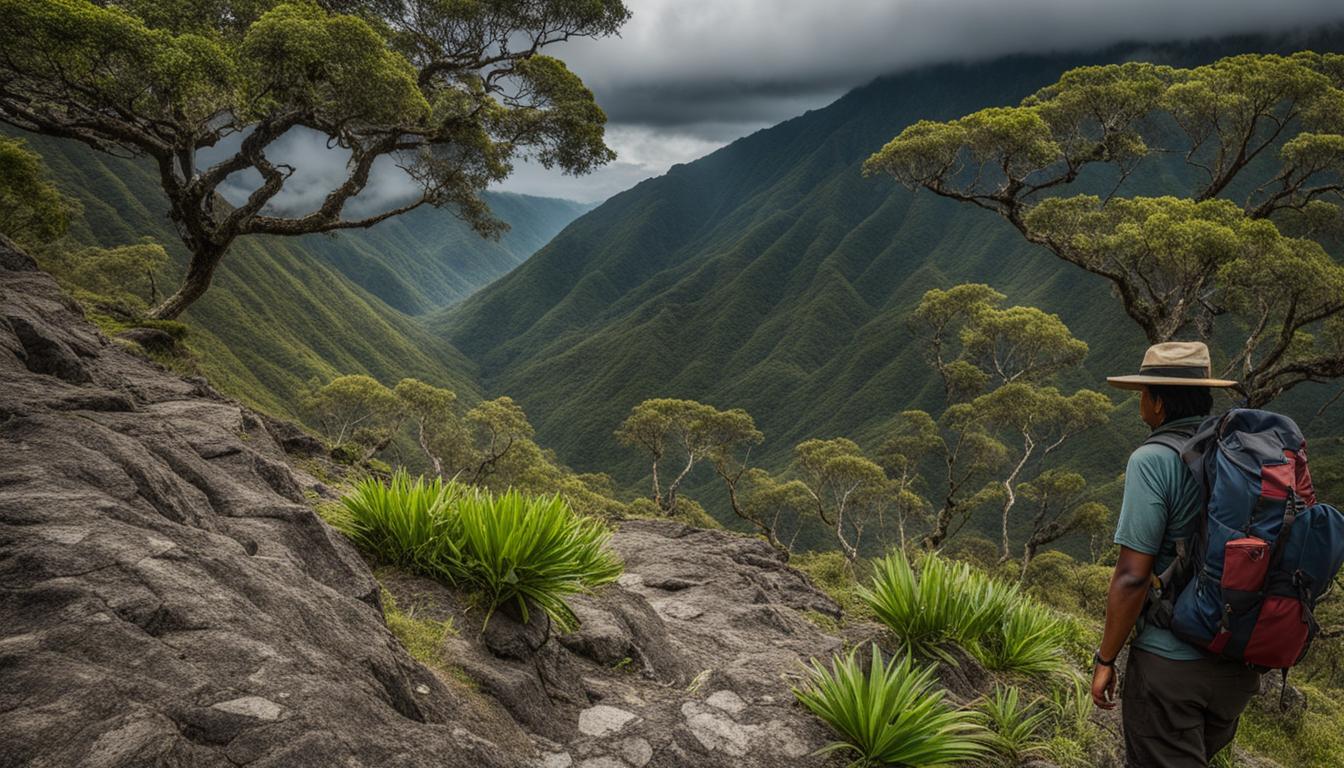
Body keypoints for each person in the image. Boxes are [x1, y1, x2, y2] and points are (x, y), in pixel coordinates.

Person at [1090, 341, 1261, 767]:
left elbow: (1132, 576)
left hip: (1171, 665)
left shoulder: (1151, 460)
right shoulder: (1241, 454)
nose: (1141, 404)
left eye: (1144, 394)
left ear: (1159, 403)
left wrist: (1105, 658)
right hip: (1237, 666)